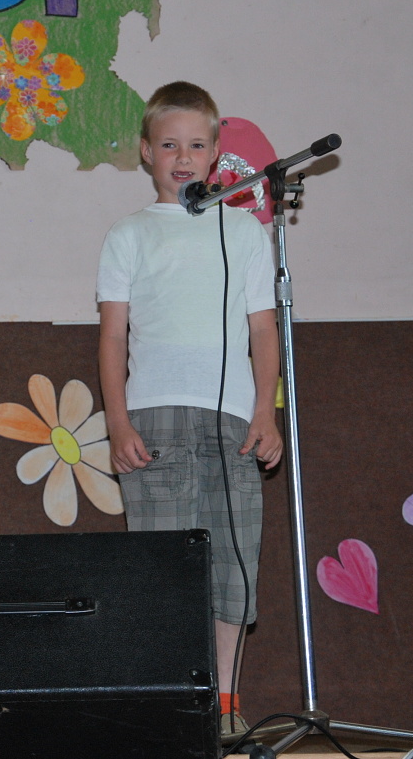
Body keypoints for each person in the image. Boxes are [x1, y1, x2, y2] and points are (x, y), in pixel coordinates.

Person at [96, 82, 283, 735]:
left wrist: (265, 412)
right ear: (146, 152)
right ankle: (171, 707)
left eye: (196, 145)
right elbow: (112, 335)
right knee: (164, 570)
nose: (183, 157)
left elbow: (263, 330)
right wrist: (117, 421)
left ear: (215, 155)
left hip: (232, 421)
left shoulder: (245, 232)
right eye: (169, 145)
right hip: (154, 419)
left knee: (232, 568)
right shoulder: (129, 233)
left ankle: (223, 705)